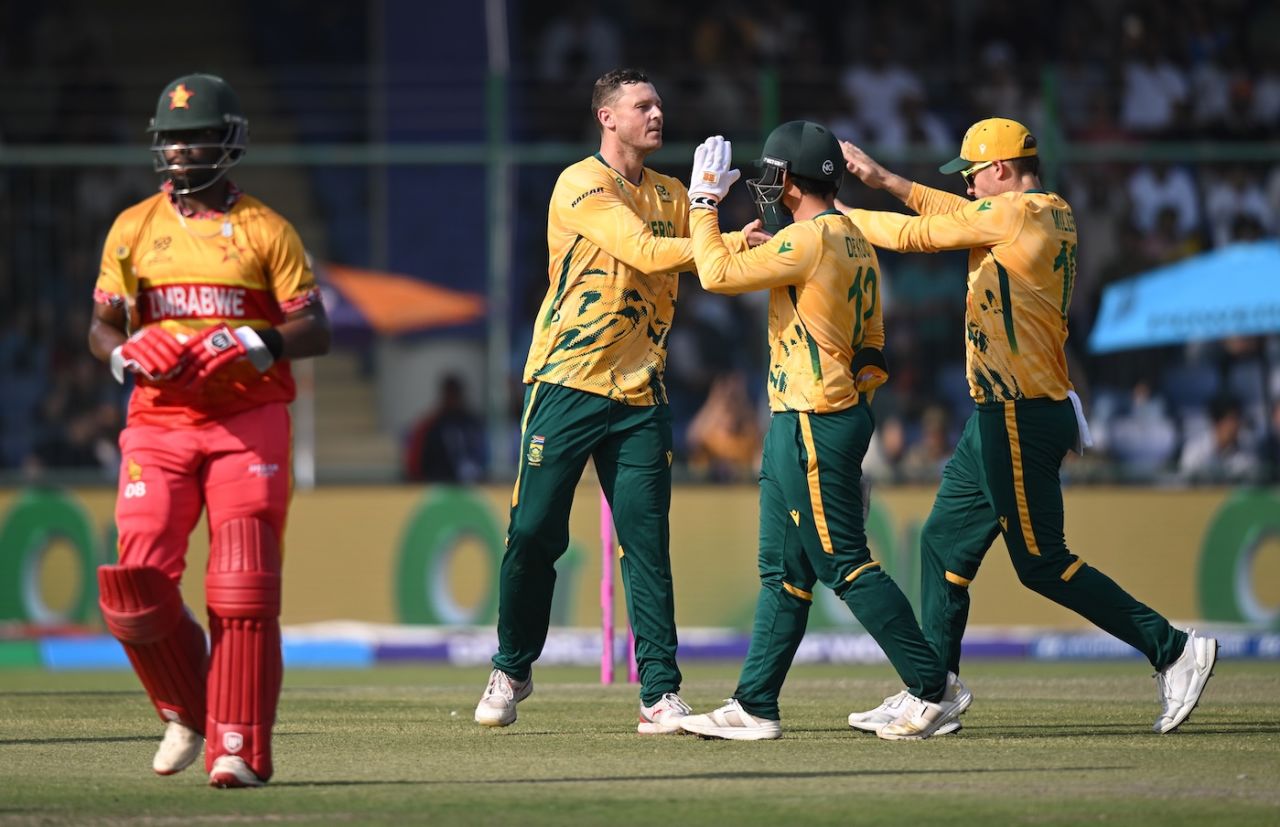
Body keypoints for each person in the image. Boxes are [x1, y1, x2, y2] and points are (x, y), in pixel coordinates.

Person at [837, 117, 1216, 734]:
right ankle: (934, 690)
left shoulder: (1013, 215)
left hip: (1019, 408)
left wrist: (835, 218)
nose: (968, 188)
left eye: (973, 175)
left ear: (1003, 171)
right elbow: (950, 215)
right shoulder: (1045, 210)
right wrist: (885, 179)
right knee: (941, 544)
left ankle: (1173, 648)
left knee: (1041, 561)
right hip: (1002, 409)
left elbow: (917, 236)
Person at [473, 68, 760, 734]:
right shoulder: (582, 183)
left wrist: (742, 244)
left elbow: (708, 269)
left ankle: (660, 692)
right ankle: (512, 666)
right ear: (607, 118)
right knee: (533, 533)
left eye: (660, 103)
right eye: (642, 105)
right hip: (565, 381)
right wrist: (710, 224)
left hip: (639, 392)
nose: (657, 113)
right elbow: (642, 248)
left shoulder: (674, 192)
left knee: (646, 543)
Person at [674, 123, 968, 742]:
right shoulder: (853, 236)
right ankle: (754, 704)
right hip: (819, 414)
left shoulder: (808, 238)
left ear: (791, 179)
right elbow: (874, 349)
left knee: (844, 564)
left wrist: (702, 204)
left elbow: (716, 276)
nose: (765, 183)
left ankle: (931, 686)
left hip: (812, 417)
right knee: (783, 570)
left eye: (772, 173)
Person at [88, 74, 331, 787]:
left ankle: (241, 746)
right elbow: (102, 326)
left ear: (229, 140)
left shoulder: (265, 228)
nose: (182, 150)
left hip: (245, 418)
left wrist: (263, 341)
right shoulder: (133, 226)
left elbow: (313, 323)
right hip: (158, 419)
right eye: (171, 138)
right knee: (133, 585)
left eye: (195, 136)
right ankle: (190, 709)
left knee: (243, 582)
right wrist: (124, 353)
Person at [403, 373, 487, 483]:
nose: (453, 400)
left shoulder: (473, 424)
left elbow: (482, 456)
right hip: (438, 482)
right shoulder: (430, 426)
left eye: (455, 395)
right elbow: (416, 463)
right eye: (450, 395)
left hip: (471, 483)